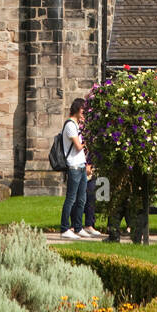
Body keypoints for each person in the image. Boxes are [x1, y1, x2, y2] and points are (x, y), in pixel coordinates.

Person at [59, 98, 89, 240]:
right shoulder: (70, 125)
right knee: (71, 198)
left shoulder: (77, 125)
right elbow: (78, 146)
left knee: (82, 198)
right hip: (74, 166)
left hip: (81, 165)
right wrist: (88, 139)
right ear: (77, 109)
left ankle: (78, 227)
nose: (84, 113)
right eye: (83, 110)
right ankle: (65, 228)